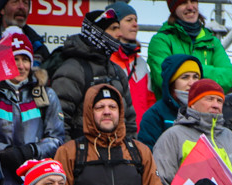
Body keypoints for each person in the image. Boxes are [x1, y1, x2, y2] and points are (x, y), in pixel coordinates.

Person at [53, 85, 164, 185]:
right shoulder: (69, 152)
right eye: (100, 107)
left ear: (120, 112)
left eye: (112, 106)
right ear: (89, 112)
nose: (107, 111)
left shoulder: (139, 152)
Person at [0, 29, 67, 185]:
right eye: (15, 59)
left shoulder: (45, 94)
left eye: (25, 59)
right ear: (4, 62)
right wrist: (6, 152)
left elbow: (57, 138)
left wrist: (31, 151)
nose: (21, 66)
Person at [51, 9, 137, 141]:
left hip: (117, 155)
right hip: (83, 156)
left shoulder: (117, 71)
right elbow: (59, 122)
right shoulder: (72, 69)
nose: (119, 34)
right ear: (97, 33)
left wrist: (131, 152)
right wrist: (71, 155)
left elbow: (129, 121)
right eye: (113, 29)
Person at [152, 79, 232, 185]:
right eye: (210, 99)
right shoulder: (173, 137)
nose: (216, 105)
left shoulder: (231, 137)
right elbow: (161, 181)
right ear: (192, 104)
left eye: (219, 101)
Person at [148, 0, 232, 96]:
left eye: (193, 1)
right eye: (183, 2)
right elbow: (164, 78)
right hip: (172, 110)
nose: (190, 7)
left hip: (206, 109)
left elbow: (229, 77)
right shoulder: (161, 41)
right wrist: (208, 75)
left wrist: (186, 70)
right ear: (173, 9)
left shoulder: (212, 41)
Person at [106, 2, 155, 132]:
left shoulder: (141, 63)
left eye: (136, 20)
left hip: (141, 135)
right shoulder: (105, 59)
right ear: (114, 25)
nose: (135, 24)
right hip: (115, 134)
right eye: (129, 20)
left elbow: (150, 102)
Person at [140, 55, 202, 147]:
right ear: (172, 82)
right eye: (185, 77)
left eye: (195, 77)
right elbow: (147, 154)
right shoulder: (155, 115)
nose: (191, 83)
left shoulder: (206, 112)